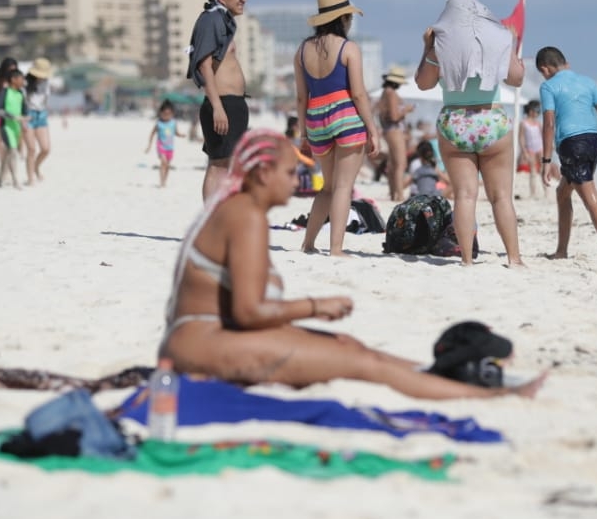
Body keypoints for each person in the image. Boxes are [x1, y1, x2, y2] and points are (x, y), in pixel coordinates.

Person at [160, 128, 546, 399]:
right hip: (205, 347)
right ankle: (491, 397)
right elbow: (247, 312)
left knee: (352, 347)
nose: (298, 180)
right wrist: (316, 307)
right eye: (289, 173)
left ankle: (468, 384)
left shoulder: (241, 212)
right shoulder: (245, 217)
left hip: (208, 338)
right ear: (262, 173)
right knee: (359, 362)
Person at [415, 0, 525, 267]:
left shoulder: (440, 42)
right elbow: (517, 78)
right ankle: (514, 258)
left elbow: (423, 84)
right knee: (501, 197)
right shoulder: (498, 37)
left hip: (455, 122)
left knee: (465, 195)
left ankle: (466, 259)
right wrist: (508, 46)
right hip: (491, 119)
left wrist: (426, 48)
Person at [294, 0, 380, 257]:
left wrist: (303, 134)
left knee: (328, 188)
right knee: (344, 187)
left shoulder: (302, 50)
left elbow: (300, 96)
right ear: (343, 18)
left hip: (316, 118)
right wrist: (372, 129)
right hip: (346, 116)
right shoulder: (348, 48)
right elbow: (358, 94)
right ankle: (336, 248)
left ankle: (308, 243)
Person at [535, 46, 597, 266]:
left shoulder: (548, 86)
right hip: (594, 141)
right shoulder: (588, 82)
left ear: (545, 69)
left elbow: (549, 123)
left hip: (572, 144)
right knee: (563, 192)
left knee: (590, 197)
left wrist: (546, 161)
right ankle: (561, 251)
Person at [188, 0, 256, 201]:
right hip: (222, 103)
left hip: (232, 103)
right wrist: (217, 107)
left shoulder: (224, 20)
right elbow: (203, 65)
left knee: (229, 165)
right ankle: (211, 223)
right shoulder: (211, 19)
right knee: (218, 165)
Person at [375, 67, 416, 202]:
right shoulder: (391, 93)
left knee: (393, 164)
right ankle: (399, 195)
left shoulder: (385, 93)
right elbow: (394, 116)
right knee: (400, 164)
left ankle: (394, 194)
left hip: (388, 130)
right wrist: (406, 110)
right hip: (394, 130)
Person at [0, 69, 29, 189]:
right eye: (21, 78)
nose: (23, 81)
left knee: (9, 152)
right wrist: (13, 117)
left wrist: (26, 118)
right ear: (13, 80)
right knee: (13, 151)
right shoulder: (4, 92)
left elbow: (24, 111)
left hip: (17, 128)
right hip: (6, 126)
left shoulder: (21, 93)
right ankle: (15, 180)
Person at [24, 58, 53, 185]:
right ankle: (30, 177)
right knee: (31, 149)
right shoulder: (24, 84)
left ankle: (36, 166)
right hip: (28, 115)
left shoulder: (47, 83)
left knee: (46, 148)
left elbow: (45, 101)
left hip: (41, 115)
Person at [145, 100, 185, 188]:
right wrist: (149, 146)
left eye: (169, 114)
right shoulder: (159, 123)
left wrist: (181, 135)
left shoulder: (173, 123)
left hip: (170, 148)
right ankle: (161, 181)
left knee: (167, 165)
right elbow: (152, 134)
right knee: (163, 162)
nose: (166, 116)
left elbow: (176, 133)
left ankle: (165, 180)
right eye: (164, 114)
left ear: (172, 114)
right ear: (160, 113)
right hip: (161, 146)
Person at [518, 100, 545, 198]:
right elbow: (521, 138)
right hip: (530, 149)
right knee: (533, 171)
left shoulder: (538, 123)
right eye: (534, 110)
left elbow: (543, 136)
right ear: (529, 110)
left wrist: (548, 148)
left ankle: (546, 192)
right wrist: (524, 151)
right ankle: (533, 193)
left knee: (543, 169)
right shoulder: (523, 123)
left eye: (538, 110)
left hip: (540, 148)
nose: (536, 112)